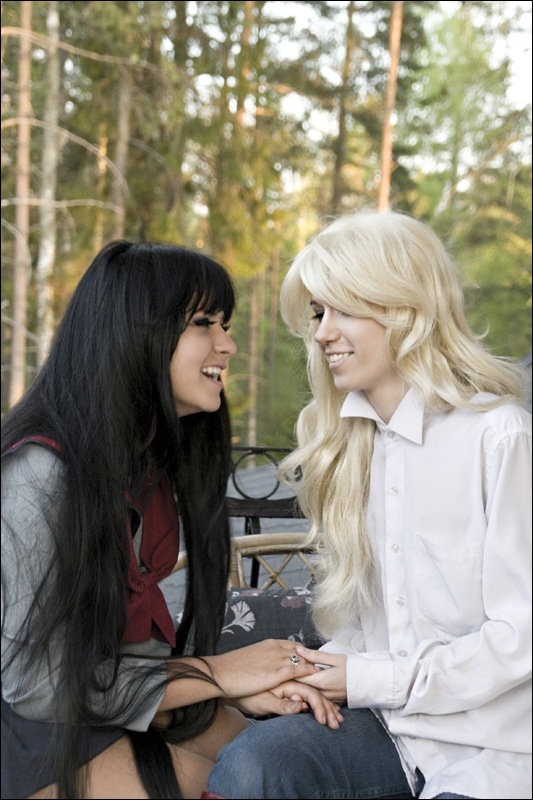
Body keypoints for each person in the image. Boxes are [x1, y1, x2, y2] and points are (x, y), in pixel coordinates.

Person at [205, 209, 532, 800]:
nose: (323, 333)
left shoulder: (500, 437)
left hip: (498, 746)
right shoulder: (351, 447)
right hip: (388, 728)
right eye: (318, 313)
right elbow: (368, 629)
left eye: (344, 310)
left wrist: (371, 678)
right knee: (255, 765)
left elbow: (522, 636)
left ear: (407, 307)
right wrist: (308, 675)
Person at [1, 240, 343, 800]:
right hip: (32, 731)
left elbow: (130, 654)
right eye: (204, 323)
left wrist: (225, 690)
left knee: (284, 763)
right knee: (244, 786)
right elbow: (38, 687)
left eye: (225, 325)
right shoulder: (40, 474)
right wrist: (219, 674)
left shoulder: (141, 464)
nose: (228, 345)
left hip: (108, 704)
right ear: (133, 335)